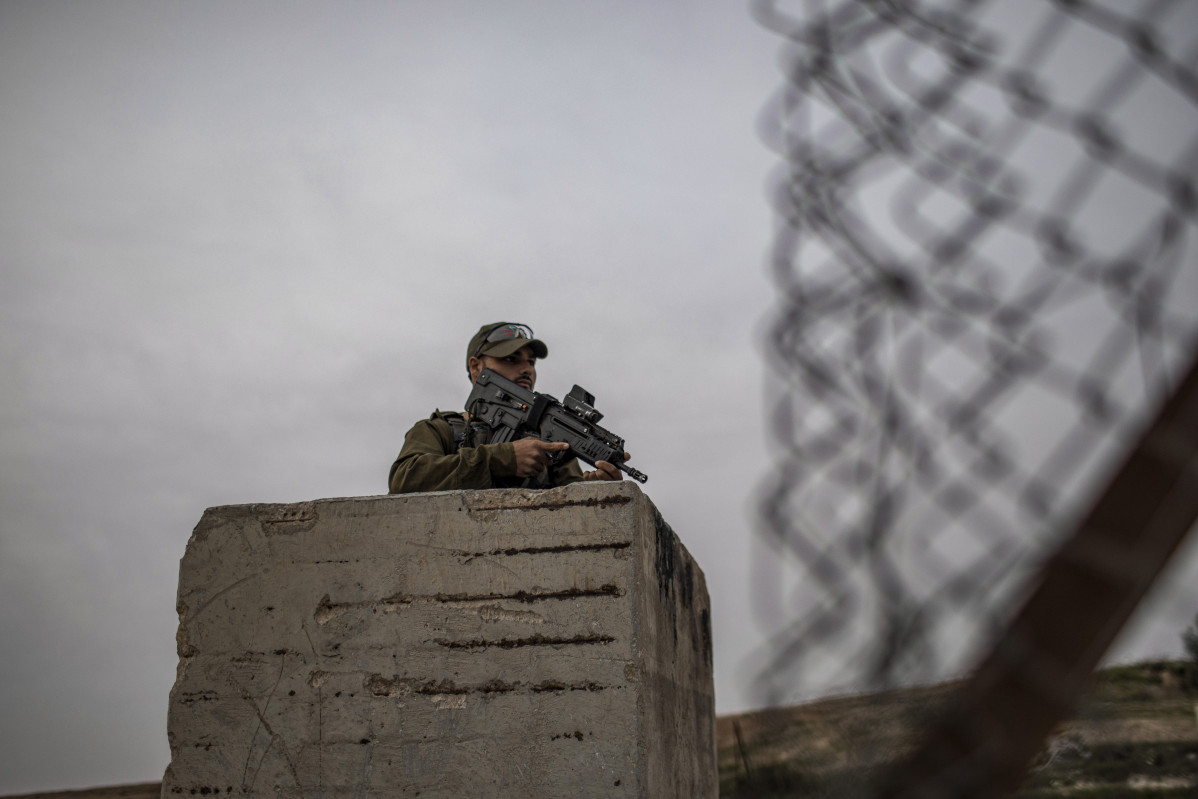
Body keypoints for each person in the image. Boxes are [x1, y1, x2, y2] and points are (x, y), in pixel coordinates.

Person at [388, 322, 626, 494]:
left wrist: (595, 490)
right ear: (476, 367)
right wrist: (503, 459)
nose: (527, 369)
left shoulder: (549, 442)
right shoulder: (439, 430)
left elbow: (569, 506)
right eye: (511, 359)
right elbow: (405, 478)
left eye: (531, 362)